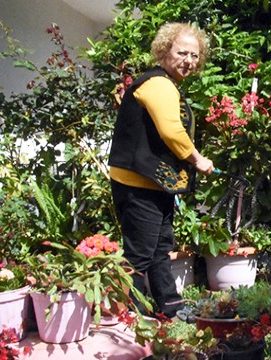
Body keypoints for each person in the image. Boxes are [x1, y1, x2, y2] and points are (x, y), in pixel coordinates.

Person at [108, 22, 214, 318]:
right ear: (164, 51)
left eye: (194, 55)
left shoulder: (166, 84)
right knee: (139, 254)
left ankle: (170, 305)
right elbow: (171, 130)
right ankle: (133, 317)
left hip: (155, 184)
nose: (189, 61)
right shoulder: (157, 83)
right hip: (139, 183)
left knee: (159, 248)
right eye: (182, 52)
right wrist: (198, 160)